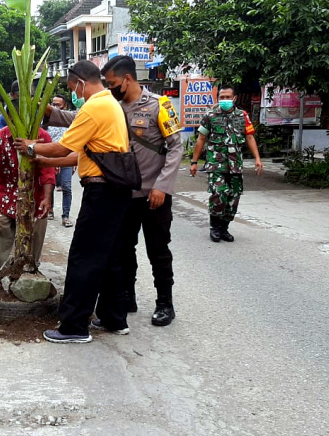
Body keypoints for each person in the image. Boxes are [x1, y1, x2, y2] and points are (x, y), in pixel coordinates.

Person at [15, 60, 132, 344]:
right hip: (115, 191)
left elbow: (64, 145)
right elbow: (83, 155)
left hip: (102, 192)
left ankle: (74, 326)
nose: (74, 93)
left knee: (84, 257)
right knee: (110, 256)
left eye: (72, 87)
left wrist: (30, 146)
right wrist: (42, 159)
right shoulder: (110, 105)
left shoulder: (95, 107)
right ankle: (114, 318)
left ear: (80, 81)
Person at [101, 55, 184, 326]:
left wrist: (162, 186)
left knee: (158, 251)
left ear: (127, 79)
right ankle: (127, 296)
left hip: (154, 195)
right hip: (125, 194)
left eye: (112, 83)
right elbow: (80, 119)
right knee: (124, 249)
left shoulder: (159, 105)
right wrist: (50, 114)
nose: (110, 89)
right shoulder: (112, 107)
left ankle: (165, 304)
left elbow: (175, 147)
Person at [0, 101, 55, 272]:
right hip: (4, 198)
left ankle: (30, 274)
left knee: (31, 253)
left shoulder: (43, 138)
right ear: (9, 118)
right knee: (0, 255)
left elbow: (47, 172)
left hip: (35, 199)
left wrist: (47, 197)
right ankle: (0, 280)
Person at [190, 85, 263, 242]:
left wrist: (257, 158)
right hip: (216, 164)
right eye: (221, 97)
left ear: (234, 98)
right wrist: (194, 162)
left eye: (227, 97)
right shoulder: (210, 115)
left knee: (233, 198)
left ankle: (224, 228)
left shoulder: (242, 116)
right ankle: (214, 227)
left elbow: (250, 137)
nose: (224, 100)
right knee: (219, 194)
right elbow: (201, 139)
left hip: (235, 165)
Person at [45, 94, 74, 227]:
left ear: (65, 106)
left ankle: (66, 215)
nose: (55, 107)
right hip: (50, 156)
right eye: (53, 104)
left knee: (66, 186)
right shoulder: (46, 120)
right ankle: (49, 209)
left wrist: (73, 160)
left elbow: (75, 141)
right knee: (50, 184)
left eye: (58, 105)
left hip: (67, 157)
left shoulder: (70, 120)